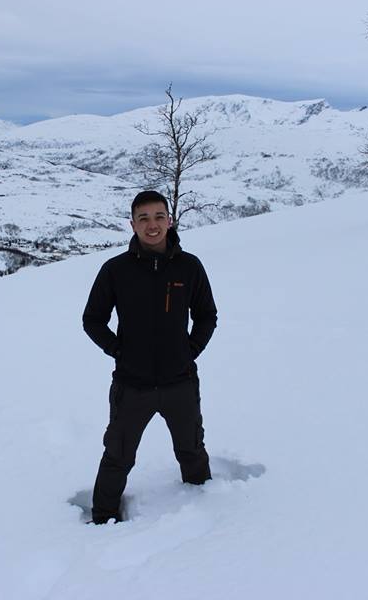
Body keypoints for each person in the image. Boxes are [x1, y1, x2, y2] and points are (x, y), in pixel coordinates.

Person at [82, 190, 218, 524]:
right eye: (143, 218)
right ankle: (102, 519)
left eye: (158, 217)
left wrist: (190, 350)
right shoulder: (115, 270)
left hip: (180, 382)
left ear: (170, 221)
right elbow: (92, 320)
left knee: (191, 449)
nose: (152, 225)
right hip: (132, 385)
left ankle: (207, 509)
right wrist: (118, 350)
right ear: (132, 224)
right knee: (118, 455)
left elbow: (206, 315)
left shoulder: (189, 267)